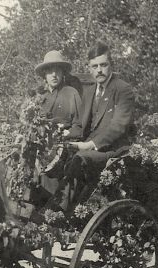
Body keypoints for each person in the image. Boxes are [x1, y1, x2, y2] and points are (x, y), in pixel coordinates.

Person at [58, 41, 135, 210]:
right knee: (55, 156)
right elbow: (80, 126)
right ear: (89, 68)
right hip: (89, 147)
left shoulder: (123, 90)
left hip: (113, 151)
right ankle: (44, 207)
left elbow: (118, 127)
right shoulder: (89, 91)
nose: (99, 70)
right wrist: (61, 135)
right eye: (94, 66)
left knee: (80, 158)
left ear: (111, 65)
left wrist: (89, 145)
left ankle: (61, 213)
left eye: (103, 65)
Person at [32, 50, 82, 204]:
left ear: (62, 73)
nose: (54, 75)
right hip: (40, 149)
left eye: (57, 70)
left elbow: (79, 127)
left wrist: (64, 134)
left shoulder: (71, 93)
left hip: (63, 148)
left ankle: (54, 208)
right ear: (44, 75)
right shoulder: (40, 98)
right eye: (50, 71)